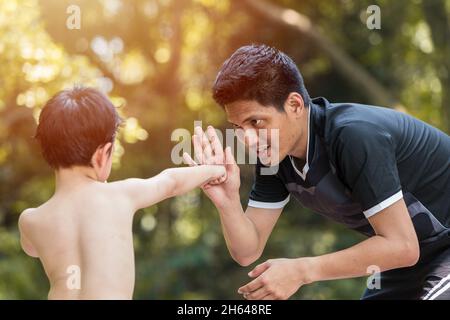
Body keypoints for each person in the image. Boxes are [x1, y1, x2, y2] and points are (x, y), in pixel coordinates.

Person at [184, 44, 450, 300]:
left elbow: (402, 247)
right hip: (414, 259)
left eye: (256, 122)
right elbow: (247, 251)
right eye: (239, 127)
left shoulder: (354, 136)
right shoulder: (273, 156)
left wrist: (302, 270)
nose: (248, 140)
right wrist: (228, 202)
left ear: (295, 105)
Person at [18, 87, 226, 299]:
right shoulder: (120, 195)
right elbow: (170, 182)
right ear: (103, 154)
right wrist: (215, 170)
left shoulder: (31, 220)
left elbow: (33, 249)